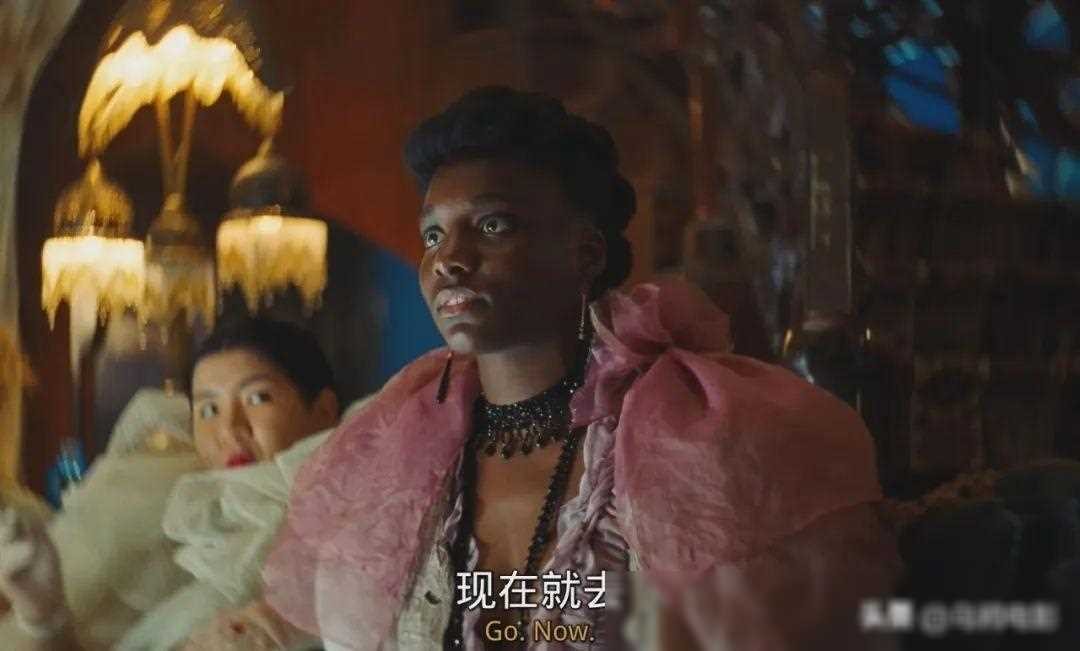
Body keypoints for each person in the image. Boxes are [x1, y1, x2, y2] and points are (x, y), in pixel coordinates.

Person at [188, 86, 902, 650]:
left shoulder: (698, 434)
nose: (449, 260)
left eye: (492, 225)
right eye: (432, 234)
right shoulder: (395, 446)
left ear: (586, 252)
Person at [0, 317, 341, 650]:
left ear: (324, 411)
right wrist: (43, 617)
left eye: (257, 398)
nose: (228, 429)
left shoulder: (344, 531)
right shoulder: (177, 525)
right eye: (209, 410)